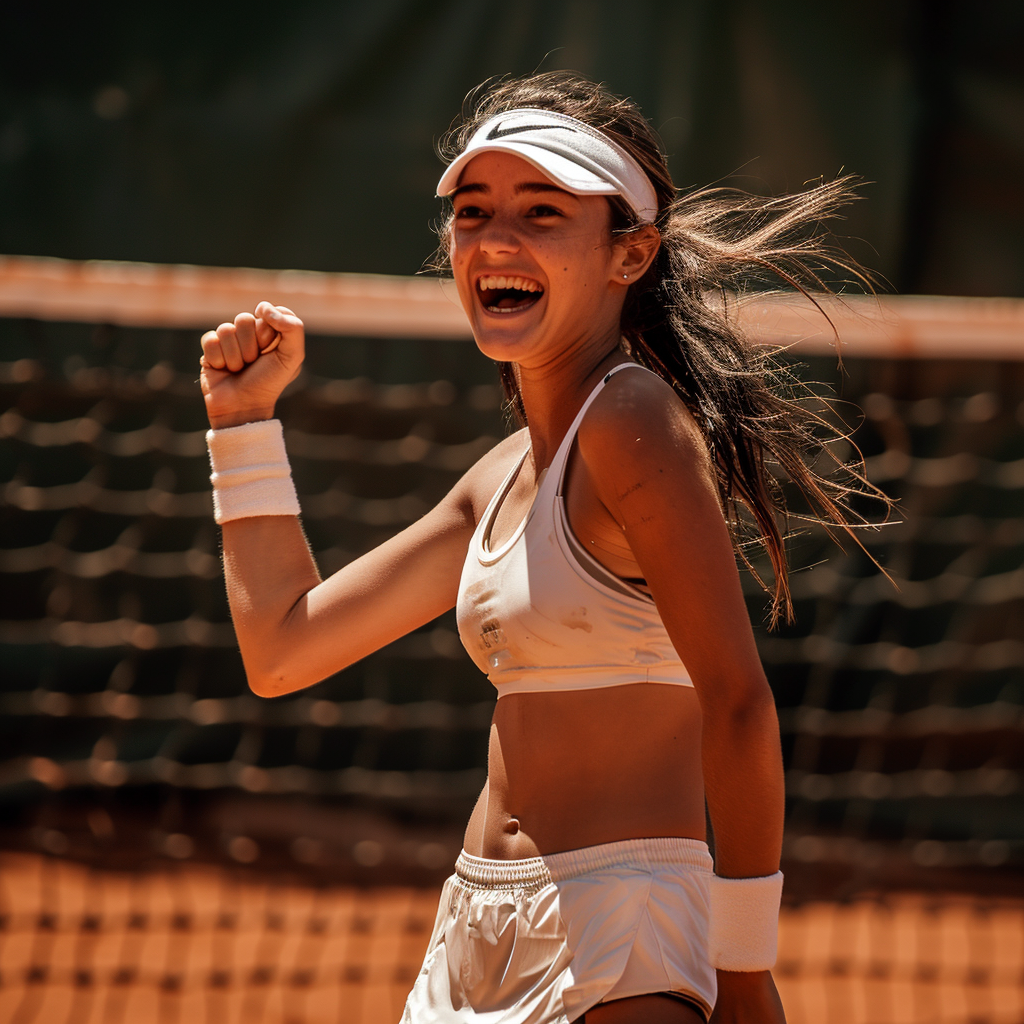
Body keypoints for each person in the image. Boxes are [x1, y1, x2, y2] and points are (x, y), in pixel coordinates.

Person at [199, 72, 880, 1023]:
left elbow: (738, 702)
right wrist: (240, 422)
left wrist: (744, 970)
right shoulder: (504, 472)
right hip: (470, 932)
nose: (496, 239)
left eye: (544, 211)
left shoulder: (633, 416)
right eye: (472, 211)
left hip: (624, 934)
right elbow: (282, 646)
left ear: (629, 253)